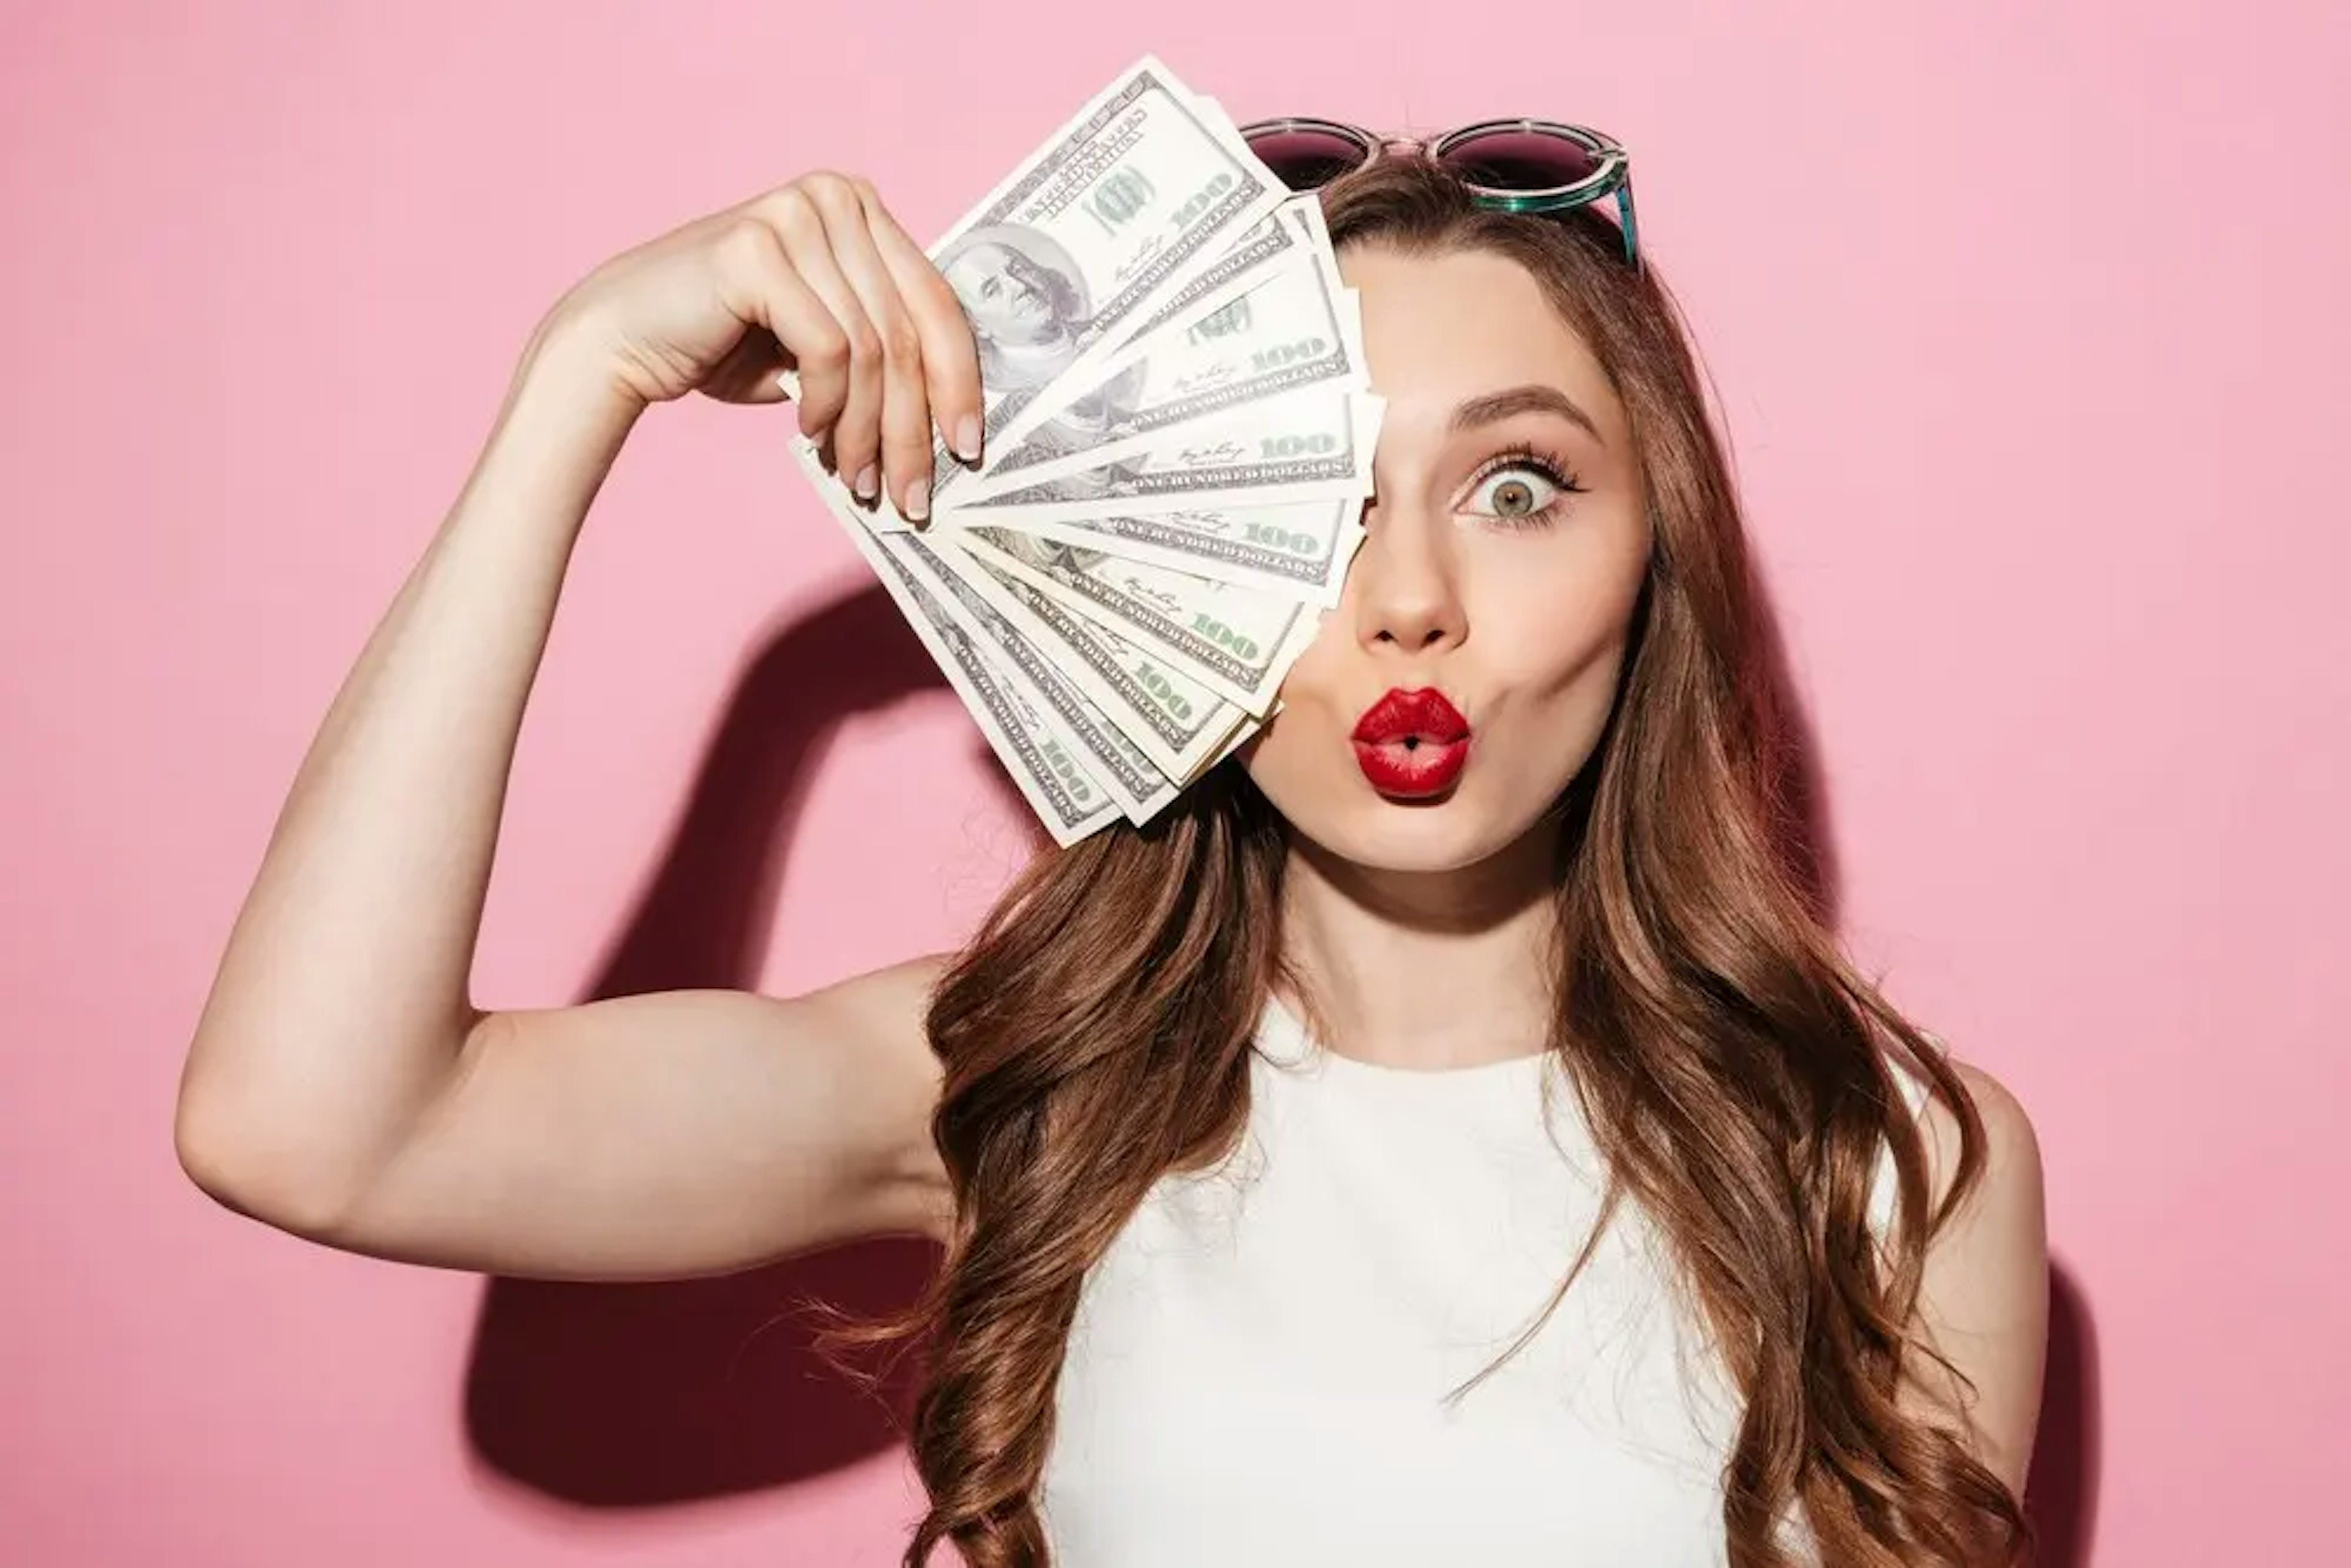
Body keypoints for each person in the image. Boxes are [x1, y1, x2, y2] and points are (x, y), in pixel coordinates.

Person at [174, 145, 2047, 1567]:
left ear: (1661, 565)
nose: (1409, 600)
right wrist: (574, 381)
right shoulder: (1024, 1092)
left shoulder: (1892, 1159)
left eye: (1519, 485)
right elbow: (310, 1122)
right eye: (1313, 496)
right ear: (1175, 558)